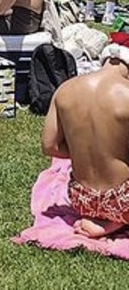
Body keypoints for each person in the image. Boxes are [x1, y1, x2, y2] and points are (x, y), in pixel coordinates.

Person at [43, 36, 129, 239]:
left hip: (82, 201)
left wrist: (83, 150)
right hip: (123, 202)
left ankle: (103, 219)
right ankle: (111, 224)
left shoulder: (65, 89)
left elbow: (50, 146)